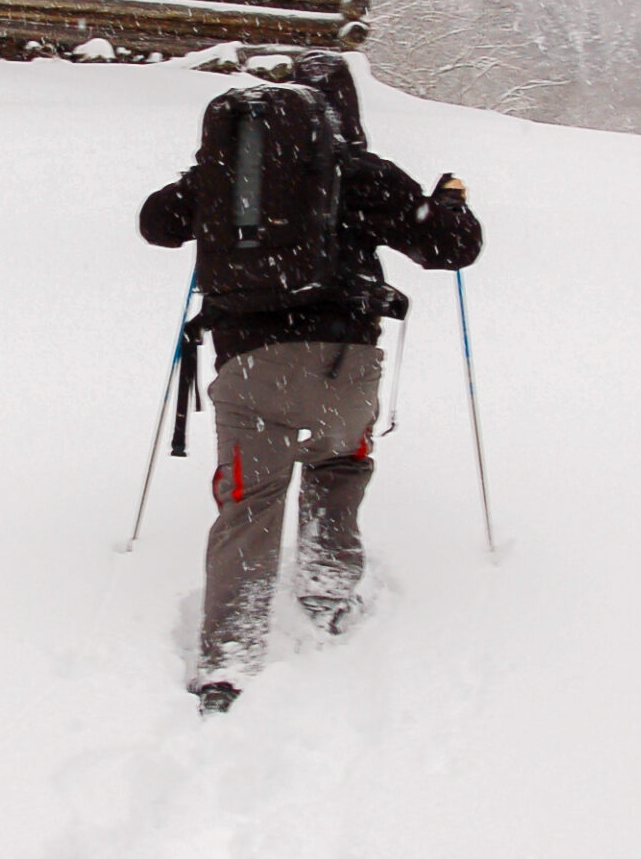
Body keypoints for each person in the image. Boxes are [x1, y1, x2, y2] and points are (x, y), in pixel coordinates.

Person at [139, 51, 482, 715]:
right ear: (346, 111)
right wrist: (449, 203)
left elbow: (157, 223)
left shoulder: (231, 167)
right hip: (343, 365)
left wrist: (209, 181)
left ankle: (228, 661)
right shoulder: (359, 171)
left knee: (250, 503)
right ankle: (326, 590)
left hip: (249, 367)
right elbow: (450, 247)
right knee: (336, 465)